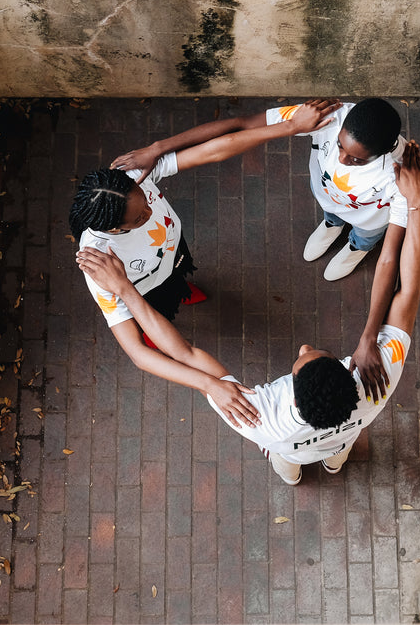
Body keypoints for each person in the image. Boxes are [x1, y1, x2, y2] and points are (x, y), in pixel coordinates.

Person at [111, 97, 409, 398]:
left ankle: (357, 247)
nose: (343, 159)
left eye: (357, 160)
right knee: (332, 215)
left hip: (368, 219)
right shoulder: (330, 116)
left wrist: (369, 337)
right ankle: (332, 226)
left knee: (366, 236)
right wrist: (158, 147)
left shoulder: (401, 175)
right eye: (341, 148)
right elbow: (241, 125)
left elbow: (389, 260)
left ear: (383, 153)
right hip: (329, 200)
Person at [69, 101, 336, 426]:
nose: (150, 212)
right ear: (114, 230)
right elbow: (138, 354)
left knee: (180, 279)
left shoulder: (131, 176)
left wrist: (290, 127)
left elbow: (214, 150)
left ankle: (183, 288)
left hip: (171, 254)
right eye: (139, 218)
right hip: (144, 293)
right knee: (159, 329)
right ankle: (172, 302)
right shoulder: (101, 264)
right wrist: (208, 383)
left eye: (146, 202)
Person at [206, 141, 420, 484]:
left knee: (287, 466)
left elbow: (190, 358)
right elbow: (410, 289)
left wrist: (123, 295)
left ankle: (295, 478)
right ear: (349, 373)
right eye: (316, 353)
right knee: (339, 453)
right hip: (343, 438)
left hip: (290, 449)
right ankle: (335, 465)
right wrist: (414, 205)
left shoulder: (262, 420)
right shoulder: (376, 383)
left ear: (293, 398)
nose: (304, 347)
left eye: (300, 359)